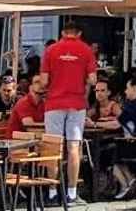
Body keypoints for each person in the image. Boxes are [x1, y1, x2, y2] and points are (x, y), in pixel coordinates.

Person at [42, 19, 97, 203]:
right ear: (79, 33)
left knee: (53, 146)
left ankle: (52, 191)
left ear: (63, 33)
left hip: (54, 103)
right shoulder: (87, 50)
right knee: (74, 147)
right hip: (77, 103)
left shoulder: (50, 50)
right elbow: (93, 79)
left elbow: (43, 81)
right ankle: (72, 192)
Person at [4, 73, 47, 139]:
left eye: (42, 82)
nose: (41, 85)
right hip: (15, 142)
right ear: (30, 87)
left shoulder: (42, 103)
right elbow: (30, 127)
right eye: (37, 82)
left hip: (30, 140)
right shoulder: (24, 102)